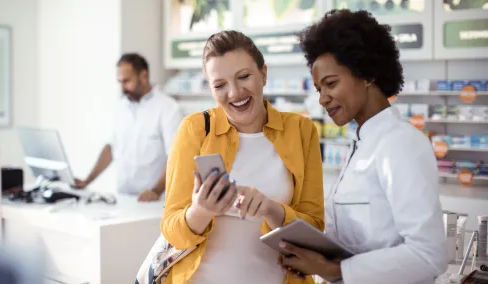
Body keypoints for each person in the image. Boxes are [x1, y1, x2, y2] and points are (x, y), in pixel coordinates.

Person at [277, 9, 448, 284]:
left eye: (331, 84)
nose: (322, 98)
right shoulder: (361, 143)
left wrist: (334, 270)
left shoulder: (401, 144)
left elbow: (430, 255)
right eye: (319, 89)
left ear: (367, 74)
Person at [160, 30, 324, 284]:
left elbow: (314, 229)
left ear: (263, 74)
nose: (234, 93)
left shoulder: (301, 131)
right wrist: (200, 211)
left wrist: (271, 209)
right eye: (220, 85)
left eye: (244, 77)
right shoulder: (195, 129)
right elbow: (172, 231)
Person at [72, 53, 184, 202]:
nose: (122, 88)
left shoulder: (169, 109)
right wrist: (87, 180)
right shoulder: (121, 107)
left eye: (126, 81)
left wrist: (155, 191)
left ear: (143, 76)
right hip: (123, 198)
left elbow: (176, 156)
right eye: (120, 82)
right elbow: (111, 148)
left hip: (155, 201)